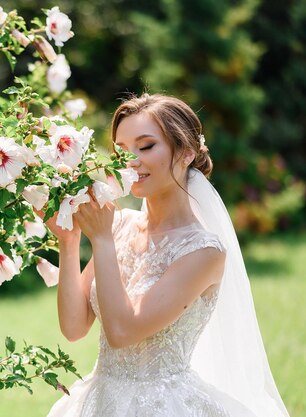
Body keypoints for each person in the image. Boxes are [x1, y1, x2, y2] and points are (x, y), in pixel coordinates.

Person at [43, 94, 290, 416]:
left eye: (146, 147)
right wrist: (70, 240)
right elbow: (74, 328)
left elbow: (122, 332)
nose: (129, 162)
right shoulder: (120, 225)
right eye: (121, 151)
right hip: (100, 398)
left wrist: (102, 240)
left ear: (186, 153)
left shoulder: (203, 252)